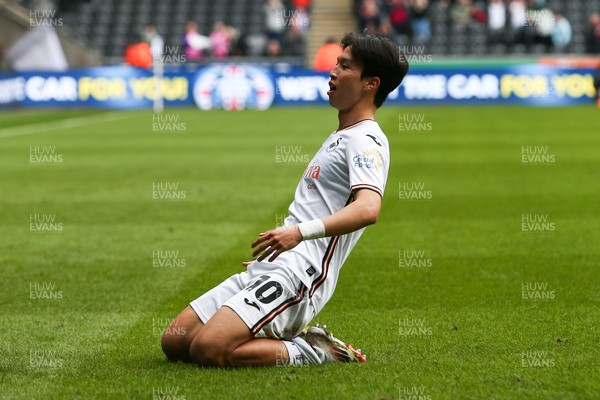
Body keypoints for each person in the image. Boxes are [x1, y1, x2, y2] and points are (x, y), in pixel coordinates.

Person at [161, 32, 409, 368]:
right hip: (277, 265)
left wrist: (297, 234)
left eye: (345, 66)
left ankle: (314, 351)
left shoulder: (366, 140)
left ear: (371, 83)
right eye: (336, 62)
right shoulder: (342, 135)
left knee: (208, 349)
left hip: (301, 276)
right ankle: (269, 328)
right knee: (175, 341)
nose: (333, 71)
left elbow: (368, 209)